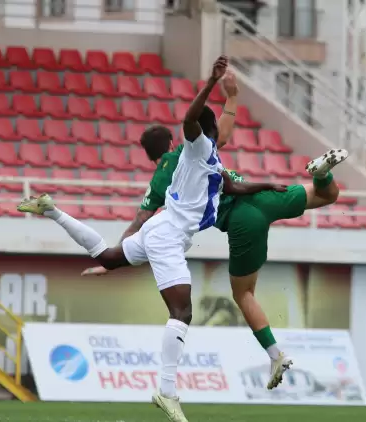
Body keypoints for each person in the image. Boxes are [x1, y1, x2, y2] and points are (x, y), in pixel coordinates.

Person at [17, 56, 285, 422]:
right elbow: (190, 120)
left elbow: (232, 185)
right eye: (215, 126)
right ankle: (168, 391)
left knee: (109, 257)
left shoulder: (211, 158)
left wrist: (266, 183)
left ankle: (50, 209)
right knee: (182, 312)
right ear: (206, 131)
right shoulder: (196, 146)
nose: (220, 130)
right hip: (169, 236)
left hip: (159, 230)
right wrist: (209, 83)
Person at [81, 73, 348, 391]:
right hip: (261, 195)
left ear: (152, 156)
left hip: (241, 219)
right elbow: (223, 134)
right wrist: (232, 96)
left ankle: (275, 355)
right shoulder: (197, 149)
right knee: (327, 196)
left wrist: (112, 257)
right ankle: (319, 173)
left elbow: (141, 220)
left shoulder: (164, 177)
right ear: (171, 142)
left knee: (243, 293)